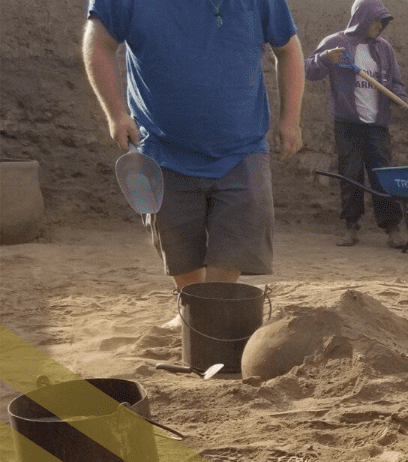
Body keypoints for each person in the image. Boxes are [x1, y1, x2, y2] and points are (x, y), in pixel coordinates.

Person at [82, 0, 304, 296]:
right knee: (178, 249)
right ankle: (194, 304)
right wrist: (115, 113)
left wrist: (291, 120)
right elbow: (99, 43)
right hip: (163, 147)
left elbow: (288, 50)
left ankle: (207, 307)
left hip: (243, 147)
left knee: (237, 244)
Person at [307, 0, 408, 249]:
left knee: (382, 176)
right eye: (377, 20)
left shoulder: (384, 49)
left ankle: (391, 228)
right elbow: (309, 70)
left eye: (383, 22)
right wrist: (324, 58)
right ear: (362, 18)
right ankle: (351, 227)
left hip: (377, 124)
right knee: (351, 175)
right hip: (347, 124)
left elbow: (395, 83)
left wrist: (402, 98)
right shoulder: (336, 43)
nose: (380, 26)